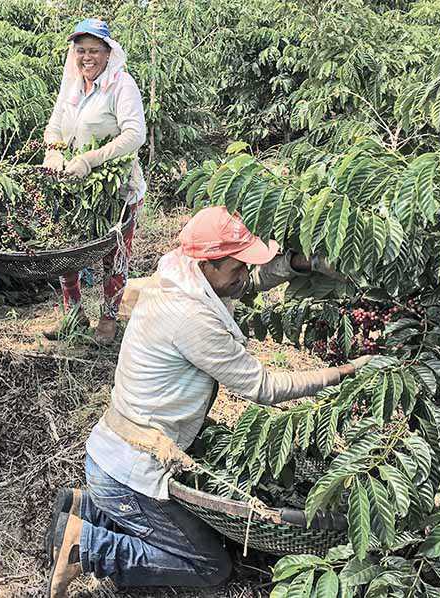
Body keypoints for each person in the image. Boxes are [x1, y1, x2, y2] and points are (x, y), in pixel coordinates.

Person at [45, 206, 373, 597]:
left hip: (114, 449)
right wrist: (344, 372)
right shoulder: (190, 317)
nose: (243, 276)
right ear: (210, 264)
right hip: (130, 469)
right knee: (209, 566)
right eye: (236, 267)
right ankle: (89, 547)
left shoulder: (180, 274)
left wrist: (299, 264)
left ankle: (89, 507)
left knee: (198, 538)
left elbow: (250, 282)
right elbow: (263, 387)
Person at [42, 18, 146, 345]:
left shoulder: (121, 84)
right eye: (81, 51)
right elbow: (55, 125)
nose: (88, 57)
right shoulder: (72, 84)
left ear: (108, 52)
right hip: (73, 184)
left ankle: (108, 317)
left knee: (113, 255)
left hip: (115, 190)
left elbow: (134, 135)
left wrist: (91, 159)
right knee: (66, 249)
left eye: (95, 51)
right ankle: (74, 314)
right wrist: (54, 152)